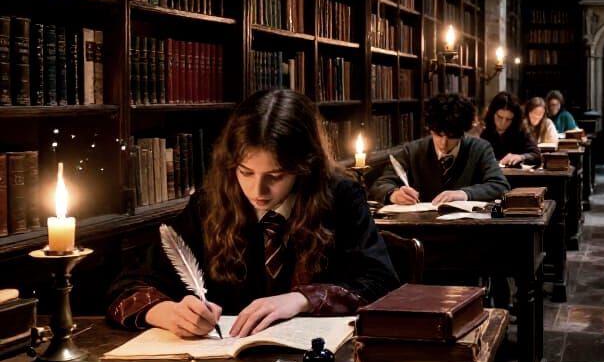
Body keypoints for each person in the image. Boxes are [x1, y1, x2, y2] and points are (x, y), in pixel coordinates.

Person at [106, 89, 398, 338]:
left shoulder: (340, 197)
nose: (259, 190)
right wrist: (166, 312)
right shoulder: (209, 204)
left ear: (304, 166)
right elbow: (127, 286)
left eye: (276, 175)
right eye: (246, 172)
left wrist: (302, 299)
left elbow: (382, 284)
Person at [371, 93, 510, 205]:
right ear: (429, 129)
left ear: (462, 133)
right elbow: (380, 185)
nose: (443, 144)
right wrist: (393, 194)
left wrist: (463, 194)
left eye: (451, 137)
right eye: (438, 135)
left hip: (466, 230)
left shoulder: (480, 148)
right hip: (420, 228)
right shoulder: (412, 151)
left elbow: (500, 185)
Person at [481, 91, 540, 168]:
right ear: (492, 114)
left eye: (508, 119)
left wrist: (521, 157)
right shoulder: (485, 131)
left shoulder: (521, 131)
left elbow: (537, 156)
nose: (503, 122)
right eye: (499, 117)